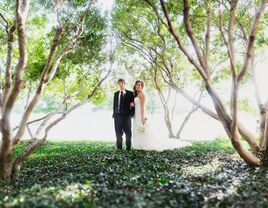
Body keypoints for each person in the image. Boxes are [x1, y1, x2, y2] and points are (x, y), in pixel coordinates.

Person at [132, 80, 189, 151]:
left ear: (142, 87)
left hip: (141, 114)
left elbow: (142, 107)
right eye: (137, 85)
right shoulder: (136, 94)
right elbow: (136, 104)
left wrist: (142, 118)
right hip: (136, 114)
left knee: (142, 129)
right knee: (137, 128)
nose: (137, 86)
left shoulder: (142, 94)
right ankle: (138, 144)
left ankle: (143, 144)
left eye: (139, 85)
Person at [113, 78, 135, 150]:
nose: (121, 85)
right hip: (118, 116)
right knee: (118, 133)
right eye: (119, 83)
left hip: (126, 117)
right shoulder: (116, 94)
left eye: (122, 83)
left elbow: (133, 105)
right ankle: (119, 148)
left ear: (124, 84)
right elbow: (114, 105)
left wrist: (131, 114)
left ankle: (128, 147)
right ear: (118, 84)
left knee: (128, 132)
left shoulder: (130, 93)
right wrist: (114, 114)